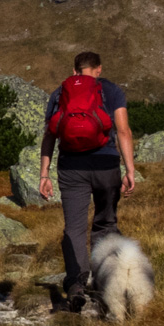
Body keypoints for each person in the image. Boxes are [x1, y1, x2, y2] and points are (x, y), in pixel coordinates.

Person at [37, 51, 138, 311]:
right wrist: (129, 170)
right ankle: (106, 284)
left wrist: (44, 174)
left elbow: (49, 135)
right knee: (105, 224)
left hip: (71, 168)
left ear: (75, 70)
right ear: (98, 69)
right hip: (106, 167)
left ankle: (76, 286)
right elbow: (123, 131)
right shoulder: (112, 91)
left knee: (74, 229)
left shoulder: (60, 93)